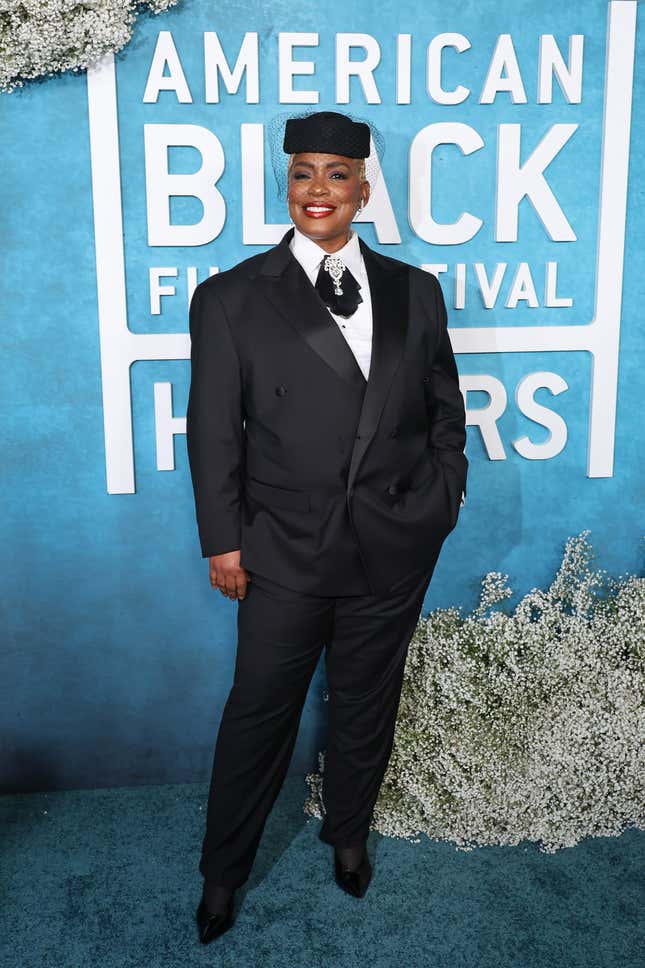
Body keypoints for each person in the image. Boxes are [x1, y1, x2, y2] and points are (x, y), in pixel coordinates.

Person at [186, 109, 468, 943]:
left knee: (365, 706)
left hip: (392, 546)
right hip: (281, 549)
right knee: (258, 714)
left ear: (363, 189)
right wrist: (222, 539)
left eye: (337, 174)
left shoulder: (417, 290)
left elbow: (443, 410)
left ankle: (347, 837)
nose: (319, 189)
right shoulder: (230, 297)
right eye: (304, 172)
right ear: (288, 183)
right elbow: (210, 432)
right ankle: (222, 875)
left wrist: (440, 497)